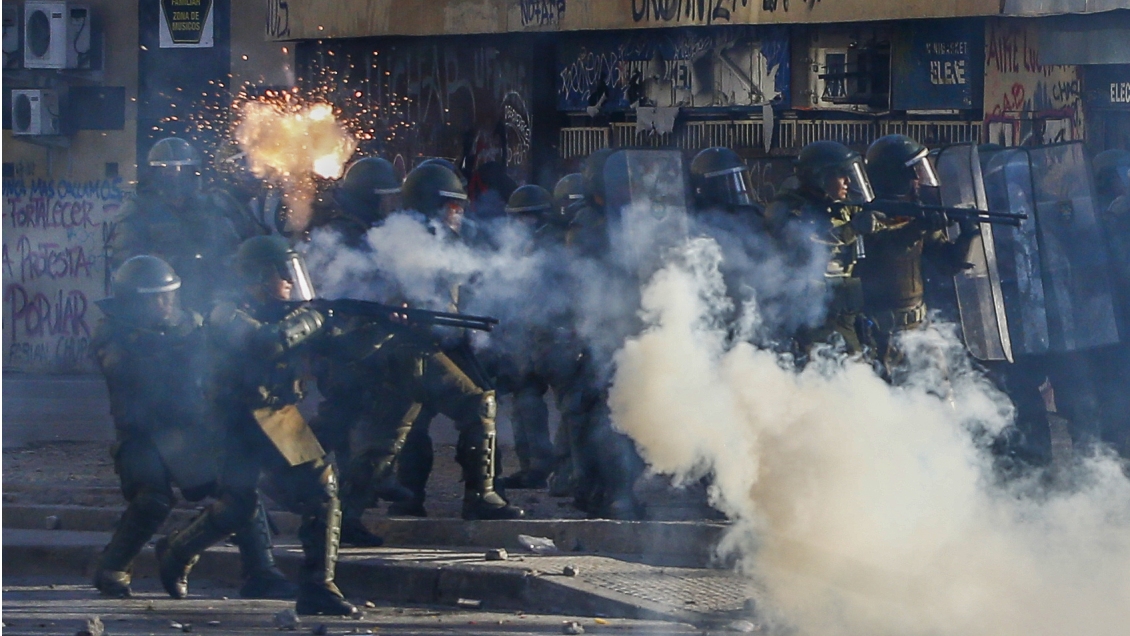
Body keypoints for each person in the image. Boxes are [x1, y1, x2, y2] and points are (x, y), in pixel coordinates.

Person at [155, 236, 356, 616]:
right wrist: (315, 318)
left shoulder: (285, 312)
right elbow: (267, 343)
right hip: (234, 420)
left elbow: (340, 349)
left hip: (272, 414)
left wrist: (365, 327)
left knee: (269, 499)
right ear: (259, 276)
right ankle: (178, 551)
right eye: (283, 272)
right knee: (256, 501)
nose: (290, 281)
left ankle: (316, 586)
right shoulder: (226, 312)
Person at [90, 255, 294, 600]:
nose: (165, 304)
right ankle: (113, 568)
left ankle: (258, 570)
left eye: (168, 295)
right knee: (152, 500)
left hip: (188, 430)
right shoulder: (113, 335)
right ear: (132, 302)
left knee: (238, 487)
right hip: (142, 435)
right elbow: (126, 369)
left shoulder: (190, 324)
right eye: (155, 298)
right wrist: (181, 351)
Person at [370, 162, 525, 521]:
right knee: (476, 406)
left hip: (442, 341)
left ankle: (407, 498)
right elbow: (390, 298)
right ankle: (480, 496)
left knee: (412, 425)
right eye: (452, 206)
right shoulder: (407, 241)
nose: (458, 214)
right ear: (432, 204)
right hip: (416, 346)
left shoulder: (442, 239)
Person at [857, 134, 975, 382]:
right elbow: (886, 245)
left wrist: (966, 235)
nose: (918, 180)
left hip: (919, 328)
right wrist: (918, 226)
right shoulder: (866, 216)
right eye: (913, 172)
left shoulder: (916, 214)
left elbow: (947, 263)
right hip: (880, 333)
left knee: (938, 394)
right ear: (894, 176)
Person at [764, 140, 875, 357]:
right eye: (840, 175)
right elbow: (809, 239)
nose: (848, 181)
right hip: (808, 317)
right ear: (819, 177)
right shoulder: (786, 209)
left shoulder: (841, 207)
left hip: (844, 313)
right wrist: (852, 229)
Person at [108, 137, 244, 313]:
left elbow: (231, 251)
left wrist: (227, 290)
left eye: (182, 168)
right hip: (160, 301)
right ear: (155, 173)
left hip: (209, 297)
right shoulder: (138, 209)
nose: (176, 175)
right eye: (168, 169)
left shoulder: (210, 206)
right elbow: (127, 262)